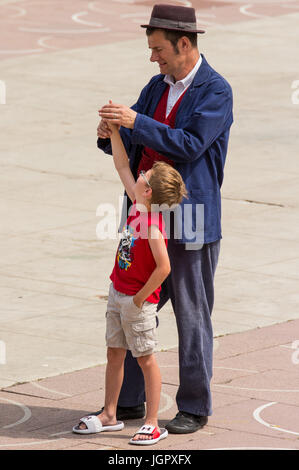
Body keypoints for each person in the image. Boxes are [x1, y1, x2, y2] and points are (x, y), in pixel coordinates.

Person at [96, 4, 233, 434]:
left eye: (158, 50)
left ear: (185, 44)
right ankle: (132, 401)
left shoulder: (216, 91)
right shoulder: (157, 86)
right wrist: (110, 133)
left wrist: (136, 121)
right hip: (144, 214)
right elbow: (136, 135)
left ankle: (194, 405)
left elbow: (190, 144)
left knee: (192, 315)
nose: (153, 58)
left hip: (190, 217)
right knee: (134, 305)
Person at [73, 112, 187, 445]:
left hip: (136, 302)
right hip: (117, 293)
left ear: (149, 191)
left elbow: (164, 268)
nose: (140, 172)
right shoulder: (138, 204)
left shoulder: (151, 224)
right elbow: (122, 166)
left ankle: (152, 421)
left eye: (145, 174)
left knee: (147, 359)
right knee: (114, 353)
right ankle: (110, 414)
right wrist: (116, 134)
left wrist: (140, 299)